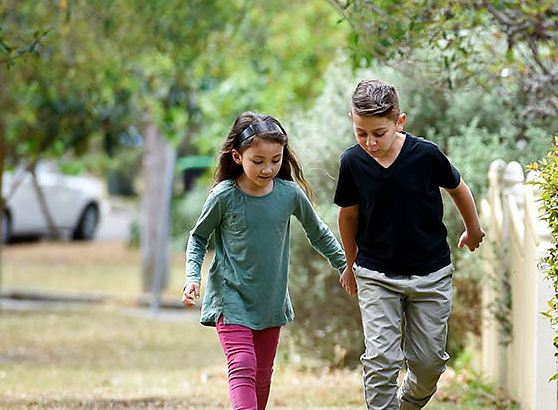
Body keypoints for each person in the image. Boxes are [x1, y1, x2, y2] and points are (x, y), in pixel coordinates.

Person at [182, 112, 351, 410]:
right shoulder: (224, 196)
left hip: (270, 300)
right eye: (258, 161)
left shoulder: (289, 194)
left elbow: (320, 233)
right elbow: (198, 238)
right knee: (243, 364)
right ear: (237, 156)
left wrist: (344, 266)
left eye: (275, 159)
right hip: (230, 298)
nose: (268, 168)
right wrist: (192, 276)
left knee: (262, 375)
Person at [335, 79, 485, 410]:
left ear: (399, 122)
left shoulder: (425, 155)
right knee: (380, 359)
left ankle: (406, 405)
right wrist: (350, 263)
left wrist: (472, 229)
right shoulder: (352, 163)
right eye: (361, 133)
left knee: (430, 364)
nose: (370, 142)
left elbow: (458, 188)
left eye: (379, 133)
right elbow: (347, 217)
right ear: (352, 121)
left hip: (431, 272)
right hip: (376, 273)